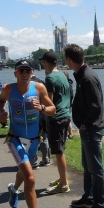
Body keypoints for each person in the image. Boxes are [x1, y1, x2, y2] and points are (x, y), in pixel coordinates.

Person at [0, 59, 56, 208]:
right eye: (21, 71)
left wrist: (42, 107)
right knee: (30, 177)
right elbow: (0, 101)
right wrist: (1, 113)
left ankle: (13, 189)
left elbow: (53, 109)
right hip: (15, 138)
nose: (24, 74)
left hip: (34, 139)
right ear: (15, 73)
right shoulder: (8, 89)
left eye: (27, 70)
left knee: (24, 171)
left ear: (32, 72)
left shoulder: (39, 88)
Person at [64, 44, 104, 208]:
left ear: (69, 59)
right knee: (88, 165)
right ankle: (89, 198)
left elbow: (96, 106)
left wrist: (86, 123)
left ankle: (101, 204)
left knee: (95, 167)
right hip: (88, 128)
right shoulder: (82, 75)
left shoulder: (88, 77)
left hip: (92, 128)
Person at [40, 51, 71, 194]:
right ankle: (62, 178)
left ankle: (64, 184)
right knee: (60, 150)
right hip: (65, 116)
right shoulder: (63, 75)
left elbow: (49, 103)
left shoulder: (50, 78)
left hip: (56, 118)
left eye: (43, 62)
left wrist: (40, 107)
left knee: (59, 152)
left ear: (46, 62)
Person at [62, 70, 74, 139]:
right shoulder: (70, 84)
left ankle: (68, 134)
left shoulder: (66, 84)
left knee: (66, 119)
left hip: (67, 104)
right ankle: (70, 134)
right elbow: (72, 95)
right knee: (68, 119)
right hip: (69, 104)